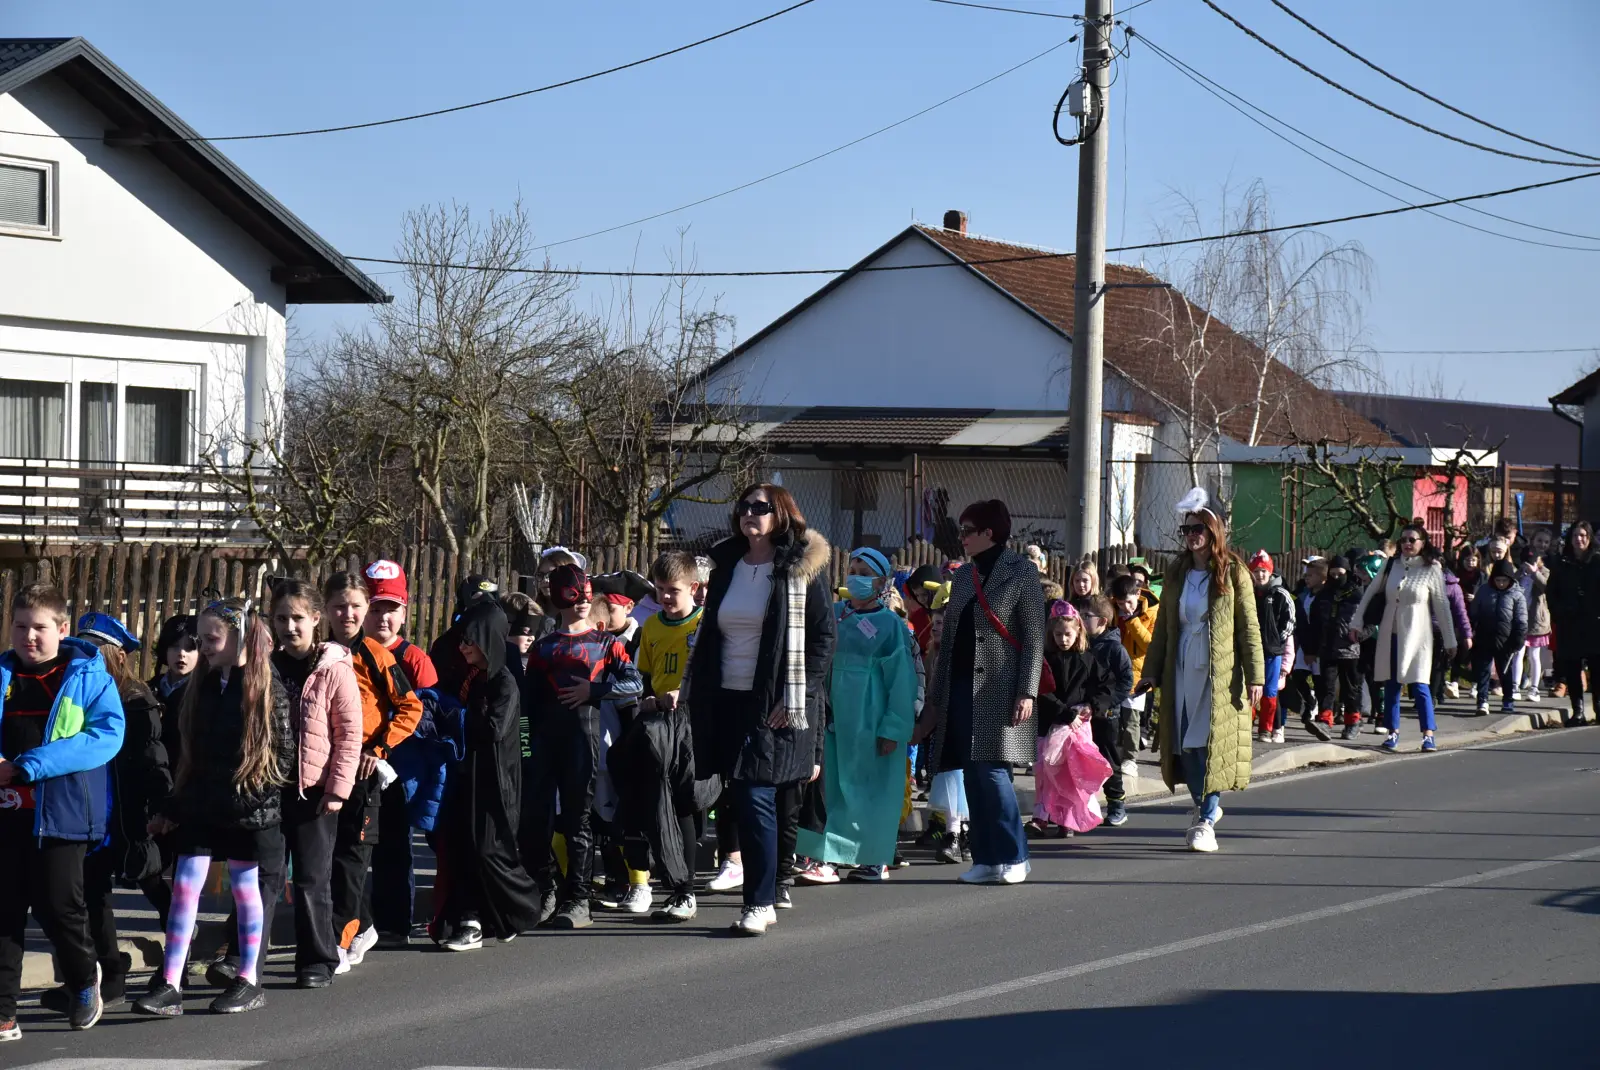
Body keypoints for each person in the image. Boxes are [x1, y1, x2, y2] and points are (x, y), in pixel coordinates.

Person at [686, 483, 835, 934]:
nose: (749, 513)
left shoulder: (800, 568)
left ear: (781, 515)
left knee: (755, 796)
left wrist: (795, 695)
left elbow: (824, 639)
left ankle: (761, 900)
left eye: (760, 507)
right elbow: (712, 630)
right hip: (723, 696)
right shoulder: (727, 563)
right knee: (742, 795)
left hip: (772, 700)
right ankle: (765, 893)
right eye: (744, 507)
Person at [134, 597, 291, 1018]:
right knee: (185, 884)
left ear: (238, 637)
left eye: (210, 639)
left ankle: (248, 978)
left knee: (245, 889)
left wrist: (247, 799)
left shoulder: (265, 687)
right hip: (202, 804)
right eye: (200, 639)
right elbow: (189, 752)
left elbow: (282, 756)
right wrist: (176, 804)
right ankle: (169, 981)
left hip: (248, 808)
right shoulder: (198, 687)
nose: (201, 647)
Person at [0, 585, 124, 1041]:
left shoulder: (88, 676)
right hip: (6, 814)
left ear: (62, 629)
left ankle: (82, 982)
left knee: (60, 908)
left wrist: (32, 764)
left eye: (39, 628)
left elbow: (106, 736)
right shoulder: (3, 673)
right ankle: (4, 1014)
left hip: (61, 815)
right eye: (20, 626)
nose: (28, 637)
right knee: (5, 913)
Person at [51, 614, 169, 1014]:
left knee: (152, 881)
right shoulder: (73, 691)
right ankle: (110, 976)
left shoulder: (137, 700)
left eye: (94, 649)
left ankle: (178, 958)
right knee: (93, 894)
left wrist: (162, 805)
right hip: (91, 811)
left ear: (116, 656)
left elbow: (153, 756)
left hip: (131, 809)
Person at [926, 499, 1046, 885]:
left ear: (988, 533)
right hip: (962, 688)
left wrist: (1026, 691)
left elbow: (1033, 638)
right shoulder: (963, 576)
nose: (961, 537)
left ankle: (1015, 855)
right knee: (972, 776)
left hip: (1002, 689)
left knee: (994, 773)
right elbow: (952, 638)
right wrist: (938, 693)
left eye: (967, 530)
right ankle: (986, 858)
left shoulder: (1021, 572)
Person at [1138, 490, 1264, 854]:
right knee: (1185, 746)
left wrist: (1256, 676)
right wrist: (1151, 671)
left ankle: (1205, 820)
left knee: (1206, 743)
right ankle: (1204, 804)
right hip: (1182, 666)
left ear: (1213, 532)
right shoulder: (1177, 571)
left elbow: (1248, 627)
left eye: (1199, 529)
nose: (1192, 535)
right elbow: (1163, 625)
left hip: (1219, 672)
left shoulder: (1234, 571)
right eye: (1187, 529)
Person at [522, 564, 643, 930]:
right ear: (557, 597)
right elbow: (526, 709)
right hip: (544, 744)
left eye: (586, 595)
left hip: (583, 743)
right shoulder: (544, 648)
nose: (581, 602)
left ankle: (578, 899)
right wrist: (526, 751)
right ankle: (548, 889)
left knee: (578, 822)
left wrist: (596, 691)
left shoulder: (606, 644)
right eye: (573, 595)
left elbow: (635, 683)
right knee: (536, 823)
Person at [795, 548, 917, 882]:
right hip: (831, 716)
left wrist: (894, 727)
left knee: (870, 789)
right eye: (852, 569)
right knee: (830, 787)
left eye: (865, 572)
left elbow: (902, 682)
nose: (856, 577)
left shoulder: (891, 625)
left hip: (869, 717)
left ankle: (873, 858)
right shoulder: (833, 614)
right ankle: (825, 857)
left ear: (880, 581)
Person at [323, 571, 424, 972]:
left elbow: (410, 706)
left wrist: (378, 749)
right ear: (325, 610)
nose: (347, 613)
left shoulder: (376, 655)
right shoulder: (318, 651)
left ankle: (339, 939)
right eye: (339, 606)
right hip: (321, 769)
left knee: (352, 857)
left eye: (355, 606)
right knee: (324, 858)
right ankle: (361, 924)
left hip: (363, 773)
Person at [265, 579, 362, 989]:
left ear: (316, 620)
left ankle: (317, 959)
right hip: (270, 788)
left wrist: (338, 791)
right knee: (263, 876)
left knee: (310, 878)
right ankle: (244, 958)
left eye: (298, 618)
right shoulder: (264, 667)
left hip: (315, 791)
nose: (290, 627)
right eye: (282, 618)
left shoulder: (334, 669)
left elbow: (349, 734)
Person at [435, 599, 544, 949]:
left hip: (496, 782)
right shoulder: (470, 678)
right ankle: (473, 919)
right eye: (463, 640)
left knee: (489, 850)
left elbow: (495, 729)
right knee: (463, 847)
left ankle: (521, 908)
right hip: (467, 776)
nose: (465, 647)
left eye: (472, 640)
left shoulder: (503, 682)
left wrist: (460, 717)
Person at [612, 551, 709, 922]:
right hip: (658, 724)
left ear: (694, 589)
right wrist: (649, 698)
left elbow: (713, 678)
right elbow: (646, 676)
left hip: (691, 722)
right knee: (656, 800)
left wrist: (683, 696)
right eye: (661, 590)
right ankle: (671, 887)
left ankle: (687, 887)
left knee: (684, 804)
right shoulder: (651, 626)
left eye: (675, 590)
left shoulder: (704, 626)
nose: (667, 597)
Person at [360, 560, 440, 947]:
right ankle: (355, 922)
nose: (383, 617)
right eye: (374, 608)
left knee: (394, 847)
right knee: (355, 851)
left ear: (405, 612)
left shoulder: (414, 659)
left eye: (391, 608)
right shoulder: (347, 653)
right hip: (355, 768)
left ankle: (395, 924)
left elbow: (429, 715)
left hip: (399, 772)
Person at [1353, 523, 1456, 752]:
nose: (1407, 544)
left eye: (1412, 539)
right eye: (1404, 540)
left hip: (1419, 637)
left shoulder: (1431, 569)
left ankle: (1428, 735)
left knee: (1420, 685)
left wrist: (1450, 641)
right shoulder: (1391, 565)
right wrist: (1356, 622)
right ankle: (1392, 732)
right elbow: (1369, 594)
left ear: (1423, 543)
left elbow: (1442, 607)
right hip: (1391, 633)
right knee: (1392, 684)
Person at [1031, 603, 1114, 834]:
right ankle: (1041, 815)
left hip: (1076, 725)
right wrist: (1062, 711)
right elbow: (1040, 689)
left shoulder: (1087, 660)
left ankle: (1066, 819)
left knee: (1069, 774)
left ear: (1078, 632)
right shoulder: (1045, 658)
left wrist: (1092, 706)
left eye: (1068, 634)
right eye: (1058, 635)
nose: (1063, 639)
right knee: (1044, 769)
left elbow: (1106, 686)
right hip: (1050, 722)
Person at [1077, 596, 1133, 825]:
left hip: (1107, 715)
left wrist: (1106, 704)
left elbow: (1125, 681)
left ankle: (1116, 804)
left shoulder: (1114, 648)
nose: (1080, 619)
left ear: (1101, 621)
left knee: (1109, 760)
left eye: (1086, 616)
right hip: (1083, 714)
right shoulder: (1081, 643)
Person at [1547, 521, 1599, 726]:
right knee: (1572, 667)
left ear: (1590, 538)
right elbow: (1552, 592)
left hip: (1594, 623)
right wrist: (1559, 613)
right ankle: (1578, 711)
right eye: (1576, 535)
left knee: (1597, 668)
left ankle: (1598, 707)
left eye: (1584, 535)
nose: (1580, 539)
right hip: (1569, 622)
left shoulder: (1597, 561)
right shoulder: (1561, 563)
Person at [1307, 557, 1364, 740]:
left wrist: (1361, 635)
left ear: (1348, 572)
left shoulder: (1358, 594)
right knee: (1326, 687)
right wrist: (1311, 648)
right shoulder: (1324, 595)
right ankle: (1325, 721)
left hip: (1351, 649)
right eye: (1333, 574)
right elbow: (1314, 623)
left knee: (1350, 689)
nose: (1336, 577)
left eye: (1340, 574)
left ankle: (1353, 721)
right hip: (1327, 648)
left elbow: (1370, 619)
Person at [1247, 551, 1295, 744]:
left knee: (1270, 691)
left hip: (1272, 652)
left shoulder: (1280, 594)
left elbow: (1289, 621)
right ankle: (1246, 724)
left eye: (1263, 571)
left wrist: (1278, 642)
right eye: (1256, 571)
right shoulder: (1247, 593)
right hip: (1251, 651)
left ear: (1270, 571)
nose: (1260, 575)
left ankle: (1266, 729)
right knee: (1248, 689)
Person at [1471, 560, 1529, 716]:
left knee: (1505, 672)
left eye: (1504, 580)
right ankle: (1482, 701)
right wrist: (1471, 629)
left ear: (1510, 580)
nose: (1501, 584)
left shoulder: (1517, 595)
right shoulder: (1484, 591)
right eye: (1498, 580)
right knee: (1483, 671)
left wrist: (1518, 639)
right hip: (1484, 636)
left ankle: (1508, 699)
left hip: (1506, 640)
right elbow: (1474, 611)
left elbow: (1521, 620)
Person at [1280, 558, 1326, 743]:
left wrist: (1314, 648)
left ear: (1322, 577)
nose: (1306, 579)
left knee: (1320, 680)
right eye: (1305, 575)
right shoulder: (1303, 594)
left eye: (1311, 575)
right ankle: (1310, 700)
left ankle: (1321, 714)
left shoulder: (1325, 597)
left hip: (1319, 646)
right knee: (1298, 675)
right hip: (1304, 643)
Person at [1112, 573, 1158, 751]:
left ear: (1138, 594)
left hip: (1136, 672)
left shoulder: (1153, 612)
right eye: (1120, 603)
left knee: (1132, 721)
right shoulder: (1111, 608)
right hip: (1114, 672)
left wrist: (1133, 621)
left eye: (1129, 602)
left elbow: (1149, 645)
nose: (1125, 607)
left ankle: (1130, 758)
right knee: (1113, 719)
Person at [1517, 548, 1551, 704]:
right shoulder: (1521, 571)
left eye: (1535, 560)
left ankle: (1534, 688)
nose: (1531, 563)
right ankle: (1514, 687)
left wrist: (1534, 572)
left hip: (1537, 620)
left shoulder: (1544, 571)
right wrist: (1520, 573)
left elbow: (1546, 587)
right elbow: (1512, 585)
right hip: (1520, 618)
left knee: (1533, 656)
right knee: (1517, 653)